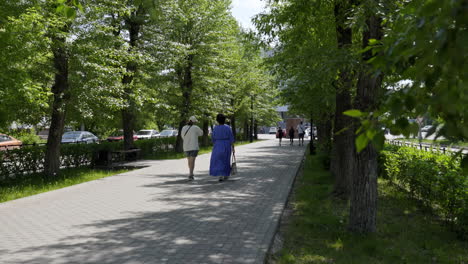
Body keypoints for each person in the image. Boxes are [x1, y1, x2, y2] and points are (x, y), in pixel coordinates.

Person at [210, 114, 235, 182]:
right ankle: (226, 174)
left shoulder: (215, 128)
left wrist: (215, 143)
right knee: (226, 159)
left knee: (218, 160)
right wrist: (233, 147)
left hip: (217, 145)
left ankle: (220, 175)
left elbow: (213, 138)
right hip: (226, 145)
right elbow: (231, 138)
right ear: (224, 120)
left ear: (217, 120)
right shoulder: (228, 128)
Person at [181, 116, 203, 180]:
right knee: (192, 161)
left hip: (186, 146)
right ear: (194, 122)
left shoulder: (183, 127)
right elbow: (201, 133)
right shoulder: (196, 127)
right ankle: (191, 174)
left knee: (189, 160)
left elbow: (182, 136)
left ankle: (191, 173)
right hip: (194, 146)